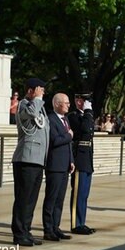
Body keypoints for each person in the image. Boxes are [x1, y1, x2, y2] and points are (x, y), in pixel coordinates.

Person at [11, 78, 50, 246]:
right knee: (23, 198)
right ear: (30, 91)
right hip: (26, 158)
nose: (42, 93)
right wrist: (38, 99)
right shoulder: (24, 105)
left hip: (38, 159)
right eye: (39, 90)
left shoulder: (39, 108)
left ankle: (26, 230)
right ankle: (19, 234)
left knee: (31, 199)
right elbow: (32, 114)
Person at [42, 93, 75, 241]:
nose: (68, 105)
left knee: (59, 199)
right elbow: (54, 140)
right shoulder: (51, 119)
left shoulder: (65, 119)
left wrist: (71, 160)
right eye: (66, 103)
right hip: (54, 165)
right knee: (51, 198)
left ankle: (56, 227)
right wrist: (69, 135)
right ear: (56, 104)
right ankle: (48, 229)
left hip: (64, 165)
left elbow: (68, 143)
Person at [67, 94, 96, 235]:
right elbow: (84, 130)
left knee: (84, 193)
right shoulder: (73, 116)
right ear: (77, 100)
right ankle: (76, 224)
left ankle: (82, 222)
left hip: (87, 158)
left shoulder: (87, 115)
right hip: (79, 158)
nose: (86, 103)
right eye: (83, 100)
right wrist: (88, 113)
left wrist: (88, 113)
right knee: (78, 193)